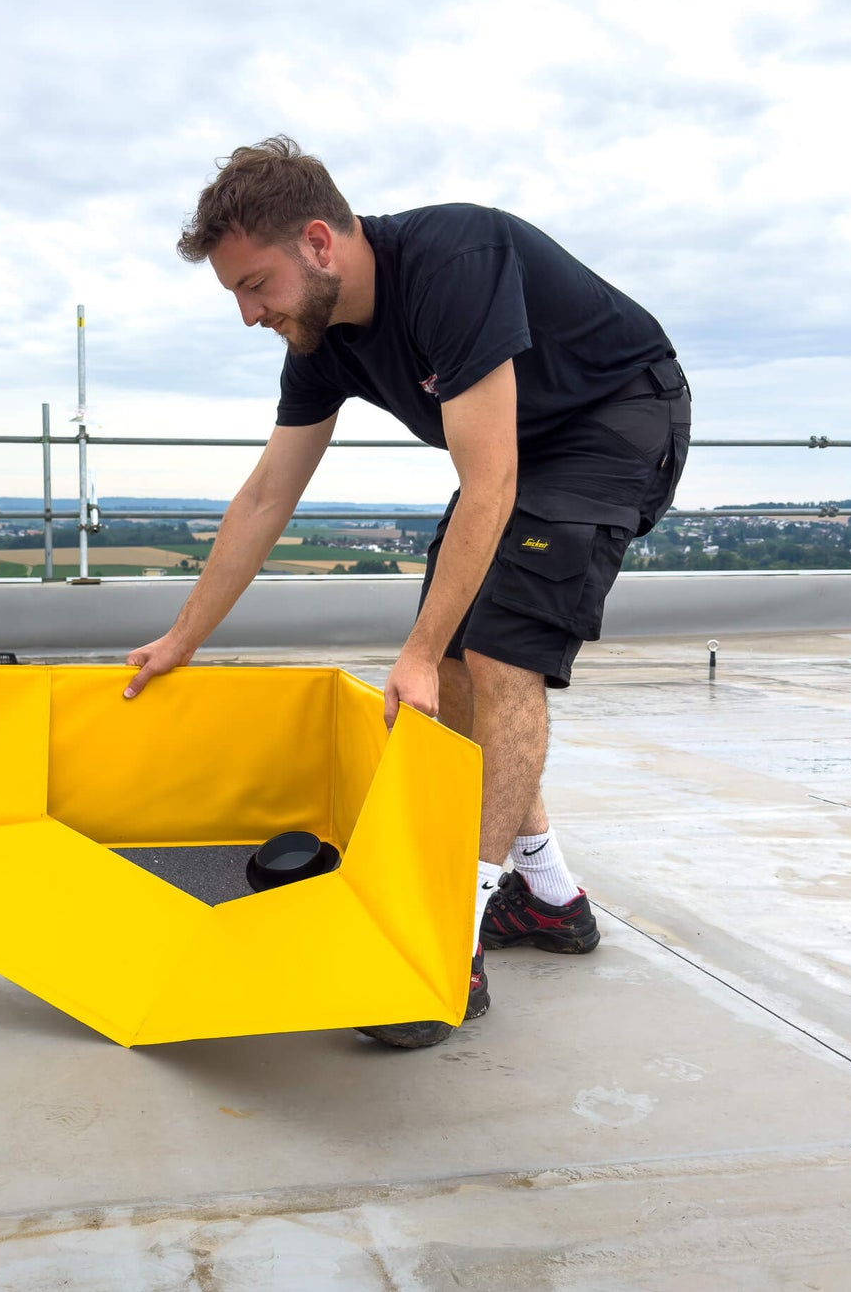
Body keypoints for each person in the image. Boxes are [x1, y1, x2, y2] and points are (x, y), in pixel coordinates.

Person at [123, 136, 690, 1048]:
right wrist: (183, 637)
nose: (247, 314)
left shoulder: (454, 263)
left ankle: (441, 948)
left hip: (612, 418)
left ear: (317, 242)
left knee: (498, 653)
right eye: (235, 293)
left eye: (253, 285)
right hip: (515, 449)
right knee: (459, 661)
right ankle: (546, 894)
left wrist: (420, 651)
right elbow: (269, 494)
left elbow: (491, 477)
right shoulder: (320, 340)